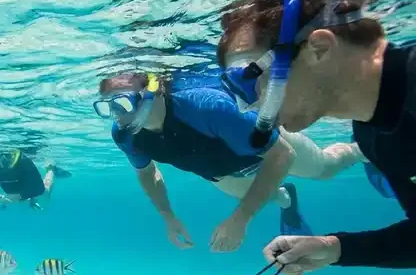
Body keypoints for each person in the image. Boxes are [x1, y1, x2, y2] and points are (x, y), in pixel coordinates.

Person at [216, 0, 415, 275]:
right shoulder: (375, 131)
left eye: (248, 80)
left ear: (320, 48)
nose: (248, 106)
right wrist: (336, 248)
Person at [98, 71, 364, 252]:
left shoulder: (207, 107)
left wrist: (241, 219)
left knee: (326, 169)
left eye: (123, 103)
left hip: (273, 150)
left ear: (152, 91)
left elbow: (282, 155)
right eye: (108, 107)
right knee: (272, 196)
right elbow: (147, 173)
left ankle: (360, 150)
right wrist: (168, 216)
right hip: (224, 177)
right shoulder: (124, 136)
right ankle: (286, 199)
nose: (117, 115)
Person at [0, 150, 69, 210]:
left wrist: (20, 196)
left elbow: (39, 189)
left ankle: (51, 169)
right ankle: (30, 200)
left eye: (7, 155)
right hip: (12, 193)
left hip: (29, 189)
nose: (4, 158)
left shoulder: (24, 161)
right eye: (0, 155)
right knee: (18, 199)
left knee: (46, 193)